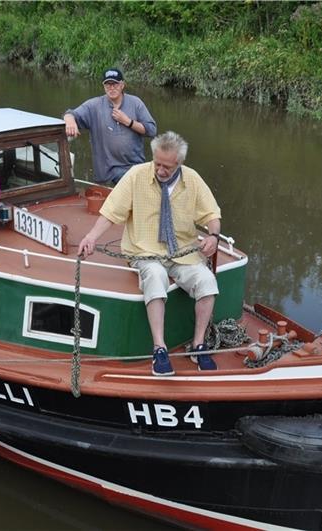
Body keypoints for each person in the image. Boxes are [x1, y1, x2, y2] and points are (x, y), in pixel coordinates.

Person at [78, 131, 221, 376]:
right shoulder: (136, 175)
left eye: (167, 166)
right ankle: (160, 348)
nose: (160, 170)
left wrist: (214, 236)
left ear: (179, 164)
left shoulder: (193, 180)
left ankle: (198, 345)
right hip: (145, 252)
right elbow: (111, 212)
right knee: (155, 276)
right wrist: (91, 236)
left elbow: (211, 214)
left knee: (207, 281)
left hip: (183, 252)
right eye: (157, 163)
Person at [64, 68, 157, 185]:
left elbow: (152, 130)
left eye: (115, 84)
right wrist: (70, 121)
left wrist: (128, 121)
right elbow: (71, 113)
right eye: (108, 85)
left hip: (134, 169)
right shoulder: (94, 106)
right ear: (103, 86)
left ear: (122, 85)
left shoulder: (135, 103)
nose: (111, 88)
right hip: (106, 173)